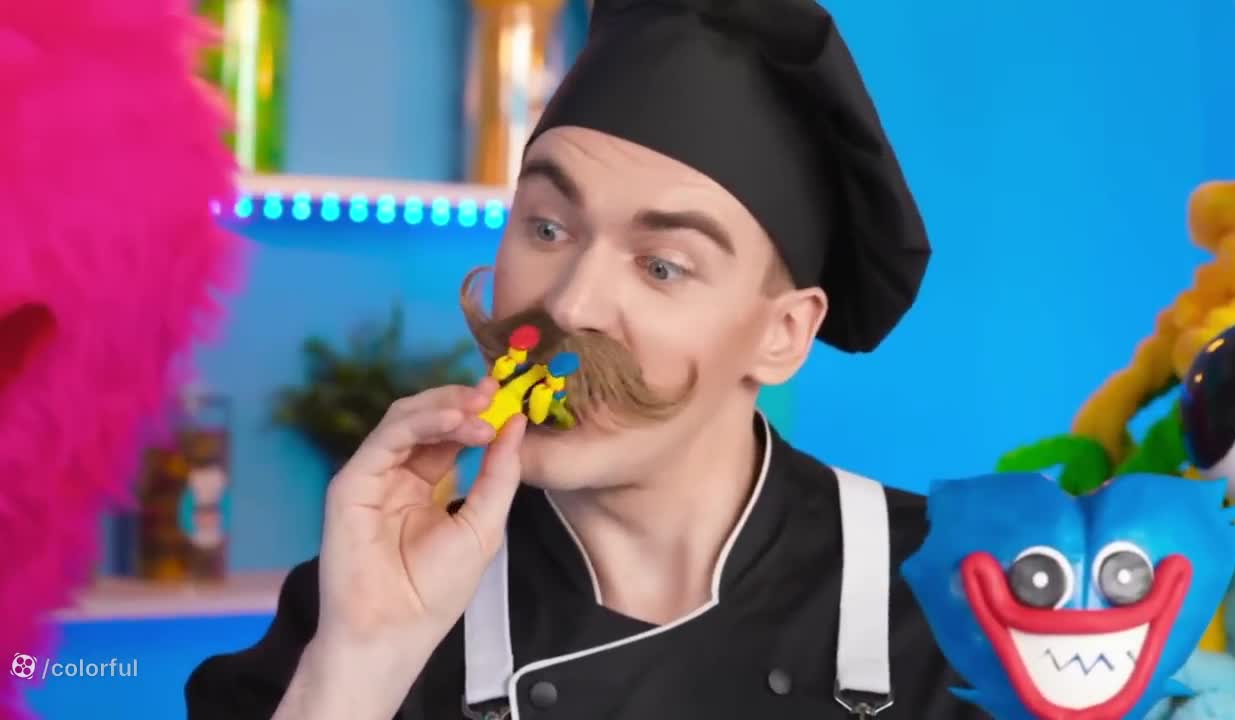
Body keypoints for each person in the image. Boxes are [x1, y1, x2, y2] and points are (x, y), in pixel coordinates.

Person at [186, 1, 985, 718]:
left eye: (661, 266)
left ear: (781, 335)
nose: (569, 306)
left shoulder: (961, 603)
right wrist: (362, 660)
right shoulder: (355, 607)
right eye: (547, 228)